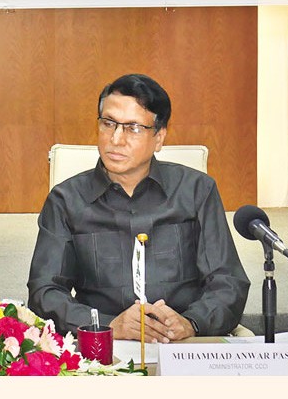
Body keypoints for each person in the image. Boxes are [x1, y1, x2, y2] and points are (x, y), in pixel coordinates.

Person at [27, 73, 249, 343]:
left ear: (159, 138)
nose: (116, 139)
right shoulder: (66, 200)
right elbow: (44, 292)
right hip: (102, 346)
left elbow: (228, 281)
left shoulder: (195, 191)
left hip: (184, 342)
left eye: (132, 127)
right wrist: (108, 326)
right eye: (108, 123)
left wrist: (191, 322)